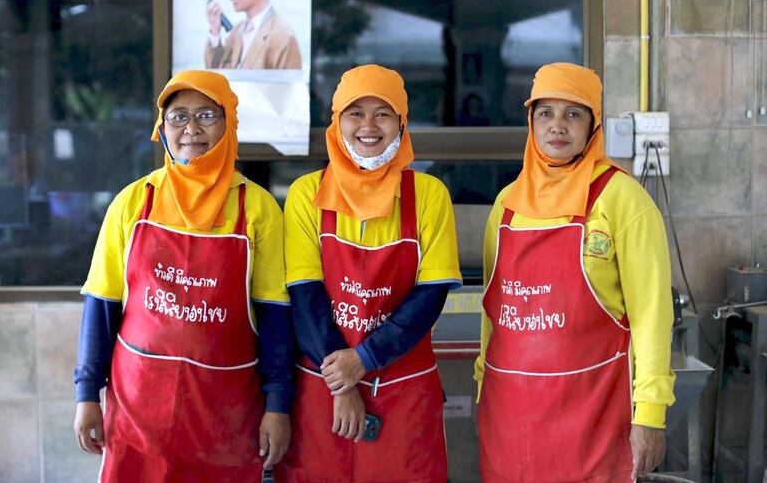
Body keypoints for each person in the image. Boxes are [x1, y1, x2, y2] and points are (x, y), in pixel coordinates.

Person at [72, 70, 294, 481]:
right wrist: (87, 393)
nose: (191, 128)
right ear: (162, 127)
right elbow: (101, 304)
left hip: (225, 410)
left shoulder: (258, 208)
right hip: (139, 405)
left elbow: (276, 318)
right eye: (177, 116)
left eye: (207, 115)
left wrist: (277, 405)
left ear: (230, 123)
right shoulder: (133, 202)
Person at [474, 62, 676, 482]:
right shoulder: (506, 205)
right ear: (530, 122)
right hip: (510, 414)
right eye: (545, 113)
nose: (557, 126)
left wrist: (651, 413)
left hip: (594, 417)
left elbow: (652, 317)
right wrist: (482, 390)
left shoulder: (622, 200)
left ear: (593, 125)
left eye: (573, 113)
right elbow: (492, 314)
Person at [273, 64, 461, 483]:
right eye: (355, 113)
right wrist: (343, 384)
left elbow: (429, 296)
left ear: (401, 123)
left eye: (384, 113)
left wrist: (365, 359)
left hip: (404, 391)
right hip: (321, 389)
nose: (369, 126)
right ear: (336, 120)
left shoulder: (429, 195)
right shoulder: (307, 194)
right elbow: (306, 297)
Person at [204, 0, 302, 70]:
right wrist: (215, 31)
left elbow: (289, 85)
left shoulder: (284, 36)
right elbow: (216, 72)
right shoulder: (236, 30)